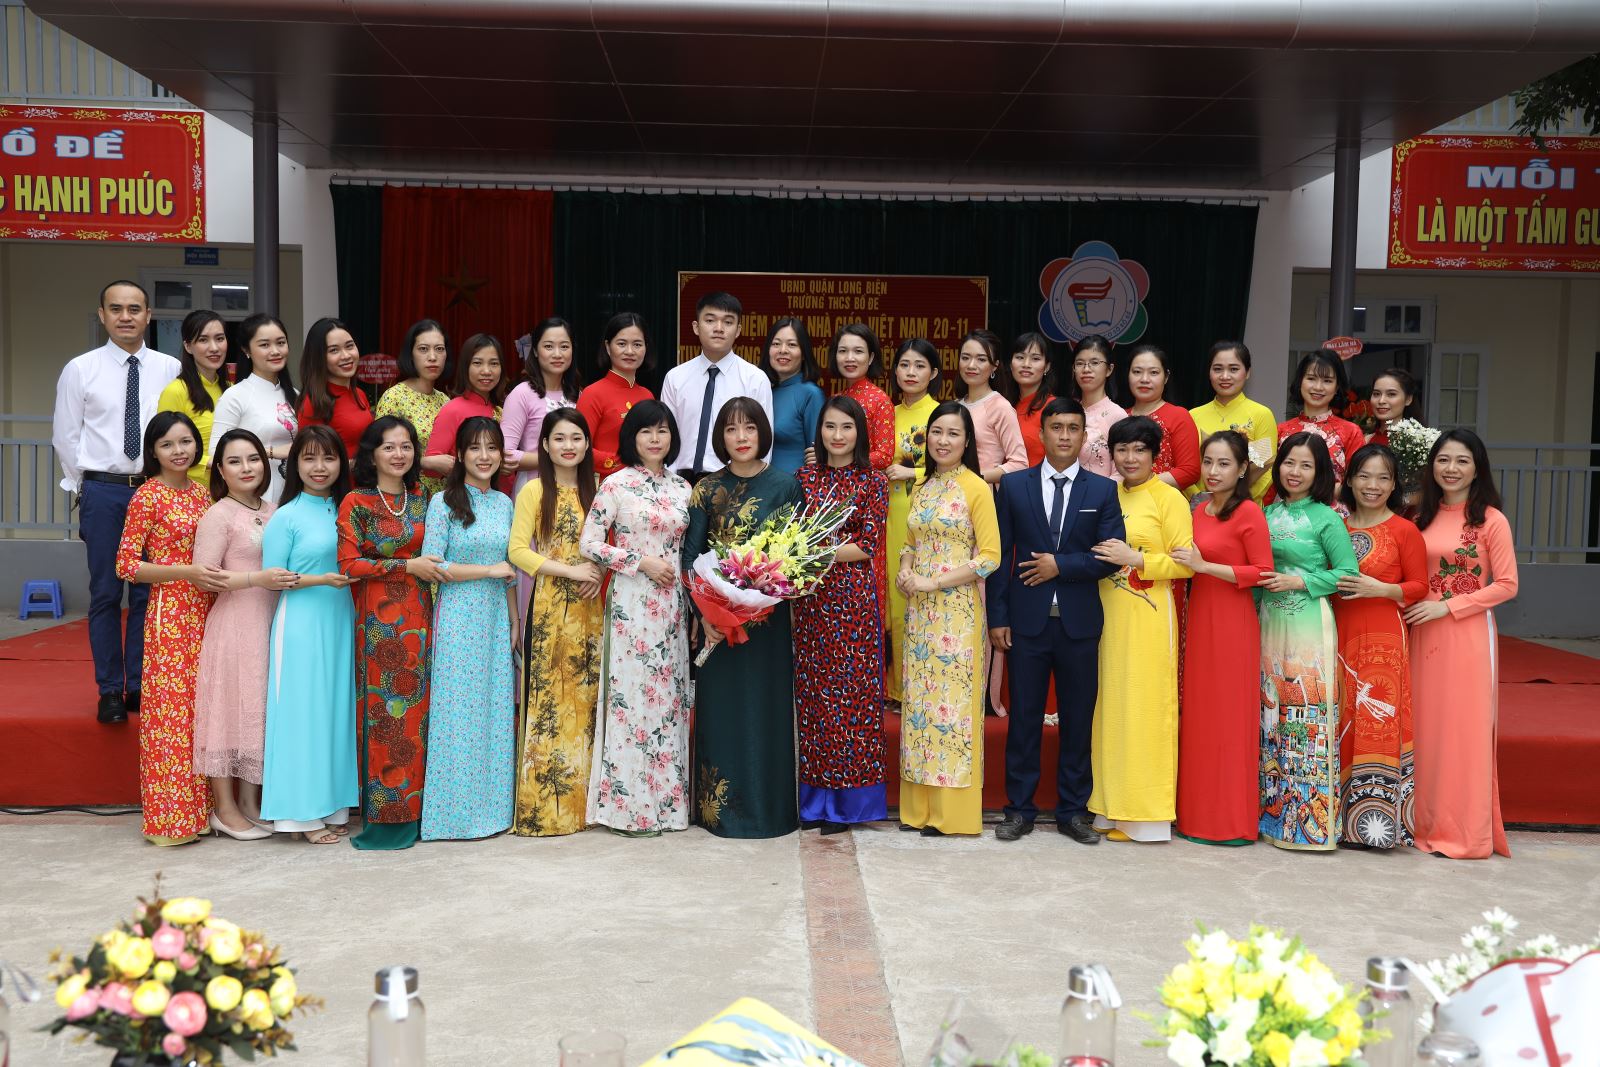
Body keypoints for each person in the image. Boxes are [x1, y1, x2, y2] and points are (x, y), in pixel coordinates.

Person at [988, 397, 1123, 844]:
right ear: (1042, 433)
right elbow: (1000, 556)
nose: (1065, 436)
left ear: (1084, 436)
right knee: (1024, 720)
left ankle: (1073, 811)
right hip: (1026, 623)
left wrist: (1059, 565)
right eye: (1056, 427)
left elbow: (1110, 557)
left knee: (1078, 721)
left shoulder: (1102, 491)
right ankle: (1018, 810)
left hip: (1079, 625)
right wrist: (997, 617)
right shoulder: (1015, 486)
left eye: (1073, 428)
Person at [52, 280, 180, 723]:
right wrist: (84, 489)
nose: (126, 316)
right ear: (103, 315)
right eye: (117, 309)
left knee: (148, 593)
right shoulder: (80, 369)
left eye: (135, 308)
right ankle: (109, 689)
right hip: (103, 491)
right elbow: (66, 436)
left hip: (154, 489)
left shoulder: (170, 368)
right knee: (106, 593)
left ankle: (138, 685)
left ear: (149, 315)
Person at [683, 398, 805, 838]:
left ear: (762, 433)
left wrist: (764, 596)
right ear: (721, 437)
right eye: (731, 429)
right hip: (718, 624)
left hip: (768, 623)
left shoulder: (786, 486)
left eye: (749, 428)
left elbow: (798, 556)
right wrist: (705, 614)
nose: (741, 437)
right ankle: (719, 814)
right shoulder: (706, 489)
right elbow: (690, 558)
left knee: (766, 711)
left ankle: (770, 812)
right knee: (723, 712)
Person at [580, 400, 693, 835]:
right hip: (632, 601)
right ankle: (629, 809)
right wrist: (640, 561)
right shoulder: (616, 484)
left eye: (662, 431)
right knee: (632, 700)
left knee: (669, 699)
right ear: (632, 437)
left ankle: (668, 806)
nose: (655, 439)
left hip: (672, 606)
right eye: (646, 431)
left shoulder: (683, 488)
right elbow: (590, 543)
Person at [1405, 429, 1518, 860]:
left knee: (1462, 731)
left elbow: (1506, 585)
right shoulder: (1420, 515)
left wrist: (1447, 607)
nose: (1451, 469)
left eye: (1462, 461)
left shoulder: (1490, 520)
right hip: (1420, 632)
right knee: (1426, 729)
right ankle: (1422, 824)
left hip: (1466, 634)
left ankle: (1463, 833)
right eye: (1443, 460)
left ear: (1477, 469)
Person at [115, 411, 223, 845]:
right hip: (172, 613)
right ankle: (171, 820)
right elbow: (126, 565)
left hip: (208, 609)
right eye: (167, 444)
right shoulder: (147, 496)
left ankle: (205, 811)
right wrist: (186, 572)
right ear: (153, 452)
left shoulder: (202, 494)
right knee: (172, 717)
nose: (179, 451)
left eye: (185, 441)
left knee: (203, 711)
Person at [1085, 416, 1194, 842]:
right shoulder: (1106, 493)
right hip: (1106, 613)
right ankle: (1110, 808)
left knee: (1145, 709)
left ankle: (1145, 817)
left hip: (1148, 615)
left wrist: (1137, 559)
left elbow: (1186, 563)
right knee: (1111, 711)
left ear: (1154, 455)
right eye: (1122, 449)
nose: (1130, 458)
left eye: (1139, 450)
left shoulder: (1169, 499)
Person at [896, 402, 1001, 837]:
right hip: (919, 613)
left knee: (951, 713)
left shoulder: (976, 487)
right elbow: (909, 541)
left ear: (967, 441)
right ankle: (918, 810)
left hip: (956, 614)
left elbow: (990, 558)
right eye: (936, 432)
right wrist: (905, 570)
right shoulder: (922, 485)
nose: (943, 441)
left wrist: (933, 582)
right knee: (920, 710)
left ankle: (952, 814)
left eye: (953, 434)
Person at [340, 415, 444, 851]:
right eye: (388, 447)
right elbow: (349, 566)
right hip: (379, 624)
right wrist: (405, 565)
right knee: (385, 717)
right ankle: (384, 820)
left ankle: (420, 814)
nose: (398, 454)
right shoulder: (356, 502)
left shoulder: (423, 499)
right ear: (372, 454)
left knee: (418, 717)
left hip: (420, 616)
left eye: (406, 446)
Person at [192, 429, 297, 840]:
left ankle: (252, 804)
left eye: (253, 458)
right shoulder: (218, 515)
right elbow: (204, 577)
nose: (246, 468)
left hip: (270, 621)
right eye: (234, 461)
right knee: (228, 713)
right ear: (220, 470)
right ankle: (224, 808)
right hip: (235, 624)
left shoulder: (274, 511)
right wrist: (256, 578)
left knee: (258, 711)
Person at [1257, 433, 1359, 852]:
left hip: (1308, 625)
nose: (1294, 472)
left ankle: (1307, 828)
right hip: (1267, 620)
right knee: (1270, 715)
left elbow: (1348, 573)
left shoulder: (1326, 518)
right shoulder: (1264, 514)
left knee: (1305, 716)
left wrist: (1299, 581)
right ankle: (1270, 818)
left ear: (1320, 474)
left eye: (1305, 465)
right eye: (1288, 463)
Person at [258, 425, 359, 844]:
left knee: (335, 713)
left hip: (340, 619)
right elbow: (272, 578)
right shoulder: (286, 516)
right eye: (310, 458)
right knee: (302, 715)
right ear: (294, 464)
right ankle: (298, 815)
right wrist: (322, 580)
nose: (320, 467)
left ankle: (332, 806)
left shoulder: (348, 508)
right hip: (300, 622)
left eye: (329, 458)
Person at [793, 397, 889, 833]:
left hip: (852, 603)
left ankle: (848, 805)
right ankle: (814, 802)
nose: (837, 435)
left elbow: (867, 545)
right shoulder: (803, 479)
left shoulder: (873, 481)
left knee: (852, 701)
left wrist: (816, 551)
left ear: (859, 433)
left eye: (846, 427)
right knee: (815, 701)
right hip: (810, 603)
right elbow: (790, 534)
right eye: (830, 426)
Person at [420, 417, 517, 842]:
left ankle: (492, 813)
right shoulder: (443, 502)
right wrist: (487, 571)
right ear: (459, 454)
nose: (484, 456)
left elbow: (510, 570)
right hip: (459, 617)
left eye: (492, 447)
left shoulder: (505, 503)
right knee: (457, 715)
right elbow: (432, 565)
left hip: (495, 618)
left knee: (494, 713)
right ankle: (452, 818)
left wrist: (515, 620)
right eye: (475, 447)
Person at [1172, 431, 1272, 845]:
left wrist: (1205, 567)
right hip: (1199, 619)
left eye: (1224, 463)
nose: (1213, 471)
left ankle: (1230, 822)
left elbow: (1262, 572)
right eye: (1208, 462)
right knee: (1200, 717)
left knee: (1229, 720)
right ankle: (1196, 817)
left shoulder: (1248, 513)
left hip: (1233, 622)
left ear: (1243, 468)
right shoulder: (1199, 510)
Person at [508, 408, 604, 837]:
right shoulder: (533, 490)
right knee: (550, 703)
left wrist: (597, 572)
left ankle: (586, 808)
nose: (569, 446)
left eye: (576, 438)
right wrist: (570, 570)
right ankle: (546, 811)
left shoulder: (598, 488)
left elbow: (612, 545)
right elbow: (517, 551)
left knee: (587, 702)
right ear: (544, 445)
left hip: (592, 607)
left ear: (587, 444)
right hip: (550, 608)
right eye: (559, 438)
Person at [1333, 444, 1427, 849]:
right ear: (1350, 480)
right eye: (1365, 476)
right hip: (1335, 633)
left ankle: (1374, 825)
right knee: (1338, 717)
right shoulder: (1335, 525)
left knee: (1375, 718)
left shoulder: (1404, 530)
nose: (1373, 485)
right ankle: (1333, 819)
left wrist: (1382, 588)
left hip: (1381, 637)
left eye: (1383, 478)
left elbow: (1420, 586)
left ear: (1394, 485)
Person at [661, 291, 773, 482]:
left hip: (735, 481)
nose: (719, 328)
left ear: (738, 330)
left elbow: (763, 441)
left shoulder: (755, 379)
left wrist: (752, 485)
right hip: (680, 482)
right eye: (710, 320)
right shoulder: (675, 378)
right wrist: (668, 482)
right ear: (696, 327)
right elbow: (665, 433)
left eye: (728, 322)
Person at [885, 339, 941, 707]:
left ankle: (918, 688)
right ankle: (892, 688)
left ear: (933, 372)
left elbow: (955, 467)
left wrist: (912, 472)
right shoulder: (886, 413)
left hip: (924, 517)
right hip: (886, 515)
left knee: (915, 599)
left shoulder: (942, 414)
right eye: (904, 365)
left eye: (919, 366)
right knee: (890, 602)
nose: (910, 372)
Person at [210, 313, 300, 503]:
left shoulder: (295, 395)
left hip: (294, 490)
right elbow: (215, 455)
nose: (275, 351)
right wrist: (270, 452)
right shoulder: (235, 397)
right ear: (246, 350)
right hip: (256, 494)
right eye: (264, 345)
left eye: (281, 343)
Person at [503, 315, 582, 499]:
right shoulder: (522, 394)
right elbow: (505, 454)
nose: (557, 354)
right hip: (534, 491)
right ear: (536, 351)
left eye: (564, 346)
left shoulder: (579, 395)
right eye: (548, 346)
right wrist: (555, 457)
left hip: (574, 490)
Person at [1190, 340, 1277, 503]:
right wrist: (1200, 499)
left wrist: (1232, 500)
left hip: (1243, 505)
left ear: (1247, 372)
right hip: (1199, 507)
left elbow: (1265, 467)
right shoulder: (1193, 415)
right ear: (1209, 372)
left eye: (1233, 369)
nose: (1225, 376)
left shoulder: (1260, 414)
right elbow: (1186, 467)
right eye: (1217, 369)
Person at [375, 319, 451, 496]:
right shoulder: (394, 397)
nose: (432, 357)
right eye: (423, 349)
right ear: (410, 354)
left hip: (443, 499)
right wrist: (426, 462)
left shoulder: (445, 401)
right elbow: (379, 453)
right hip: (405, 496)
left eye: (439, 349)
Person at [577, 311, 655, 480]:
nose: (630, 351)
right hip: (608, 486)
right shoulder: (593, 394)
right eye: (621, 344)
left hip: (646, 485)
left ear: (646, 348)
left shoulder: (647, 395)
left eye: (637, 344)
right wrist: (625, 463)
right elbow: (579, 447)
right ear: (607, 347)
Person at [158, 309, 229, 487]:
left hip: (231, 490)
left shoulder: (231, 389)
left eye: (220, 338)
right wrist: (211, 462)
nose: (214, 348)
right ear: (188, 346)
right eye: (203, 340)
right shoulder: (176, 391)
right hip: (191, 491)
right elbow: (164, 447)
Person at [424, 333, 509, 480]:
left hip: (507, 493)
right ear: (465, 367)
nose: (486, 371)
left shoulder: (501, 411)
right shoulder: (452, 410)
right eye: (477, 363)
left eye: (494, 363)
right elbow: (432, 469)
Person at [1278, 350, 1366, 485]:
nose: (1318, 387)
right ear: (1300, 381)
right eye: (1311, 378)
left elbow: (1357, 483)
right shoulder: (1280, 430)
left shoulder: (1351, 432)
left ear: (1337, 387)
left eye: (1327, 381)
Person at [956, 328, 1029, 486]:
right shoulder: (956, 405)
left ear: (995, 366)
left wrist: (977, 477)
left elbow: (1020, 464)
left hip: (982, 494)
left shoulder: (1000, 407)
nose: (971, 365)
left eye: (981, 359)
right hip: (951, 493)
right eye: (965, 358)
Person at [1125, 344, 1200, 493]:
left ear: (1166, 377)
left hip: (1163, 500)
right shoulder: (1119, 416)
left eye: (1153, 372)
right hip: (1121, 500)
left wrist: (1139, 485)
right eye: (1137, 372)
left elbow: (1189, 471)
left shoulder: (1178, 415)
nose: (1144, 379)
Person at [297, 317, 372, 458]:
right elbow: (312, 460)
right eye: (334, 350)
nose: (346, 355)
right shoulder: (314, 403)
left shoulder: (359, 394)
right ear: (318, 357)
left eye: (349, 346)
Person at [762, 316, 824, 474]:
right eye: (776, 344)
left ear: (803, 354)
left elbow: (818, 456)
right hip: (758, 484)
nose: (783, 350)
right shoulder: (762, 390)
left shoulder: (811, 394)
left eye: (792, 344)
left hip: (794, 485)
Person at [832, 323, 895, 470]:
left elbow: (884, 456)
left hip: (864, 481)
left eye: (858, 351)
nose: (849, 358)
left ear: (871, 357)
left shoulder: (880, 400)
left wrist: (843, 460)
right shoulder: (834, 399)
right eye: (843, 351)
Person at [1068, 334, 1126, 478]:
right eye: (1080, 363)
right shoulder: (1067, 411)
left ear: (1109, 369)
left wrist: (1101, 492)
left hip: (1104, 491)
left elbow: (1121, 473)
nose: (1086, 369)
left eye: (1094, 362)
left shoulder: (1118, 415)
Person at [1002, 332, 1054, 466]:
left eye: (1035, 359)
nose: (1026, 364)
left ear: (1047, 367)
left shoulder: (1053, 409)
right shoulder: (1002, 405)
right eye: (1020, 357)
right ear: (1011, 364)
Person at [1367, 368, 1423, 446]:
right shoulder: (1363, 441)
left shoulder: (1419, 442)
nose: (1381, 401)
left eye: (1391, 394)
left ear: (1408, 399)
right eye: (1376, 394)